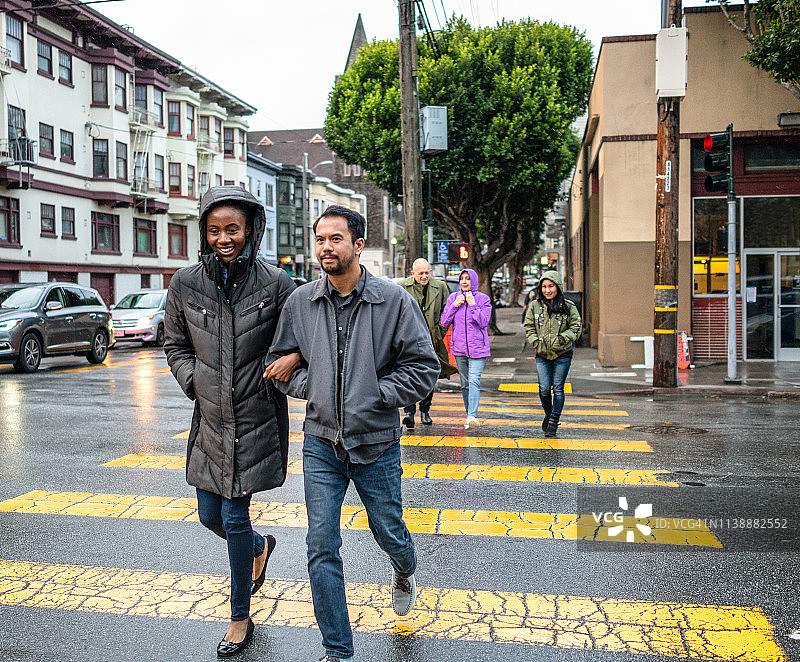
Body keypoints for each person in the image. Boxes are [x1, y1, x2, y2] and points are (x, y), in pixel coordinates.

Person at [267, 205, 440, 662]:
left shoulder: (392, 300)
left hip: (377, 442)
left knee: (389, 533)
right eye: (320, 238)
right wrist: (315, 387)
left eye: (336, 239)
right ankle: (338, 651)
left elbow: (424, 367)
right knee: (321, 544)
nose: (326, 247)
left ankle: (404, 569)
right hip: (321, 441)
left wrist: (377, 394)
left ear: (358, 245)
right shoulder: (301, 302)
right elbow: (281, 364)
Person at [164, 186, 300, 658]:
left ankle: (239, 618)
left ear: (250, 231)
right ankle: (260, 548)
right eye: (215, 230)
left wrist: (289, 361)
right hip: (209, 419)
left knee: (234, 517)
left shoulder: (277, 284)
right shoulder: (184, 284)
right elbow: (175, 344)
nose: (224, 238)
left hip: (255, 417)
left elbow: (303, 335)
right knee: (209, 515)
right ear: (204, 232)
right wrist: (194, 382)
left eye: (233, 229)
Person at [397, 258, 458, 429]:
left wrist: (440, 332)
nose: (424, 276)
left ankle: (425, 410)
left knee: (429, 377)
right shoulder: (402, 287)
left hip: (432, 340)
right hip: (409, 340)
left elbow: (448, 312)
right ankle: (409, 413)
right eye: (421, 273)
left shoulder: (440, 287)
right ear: (413, 273)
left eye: (427, 273)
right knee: (409, 376)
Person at [523, 269, 582, 438]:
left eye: (551, 286)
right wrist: (535, 341)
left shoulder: (568, 306)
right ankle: (549, 414)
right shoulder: (535, 306)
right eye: (544, 287)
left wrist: (563, 338)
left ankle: (553, 421)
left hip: (562, 354)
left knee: (558, 389)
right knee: (543, 390)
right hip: (542, 354)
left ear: (558, 287)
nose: (547, 290)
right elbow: (529, 327)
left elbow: (576, 327)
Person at [440, 268, 492, 429]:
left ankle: (472, 416)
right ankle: (469, 414)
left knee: (474, 380)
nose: (464, 281)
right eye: (462, 278)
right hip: (460, 348)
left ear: (473, 281)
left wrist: (472, 304)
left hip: (478, 348)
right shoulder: (453, 298)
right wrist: (454, 306)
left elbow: (483, 322)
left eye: (467, 279)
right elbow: (444, 322)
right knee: (464, 384)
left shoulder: (483, 299)